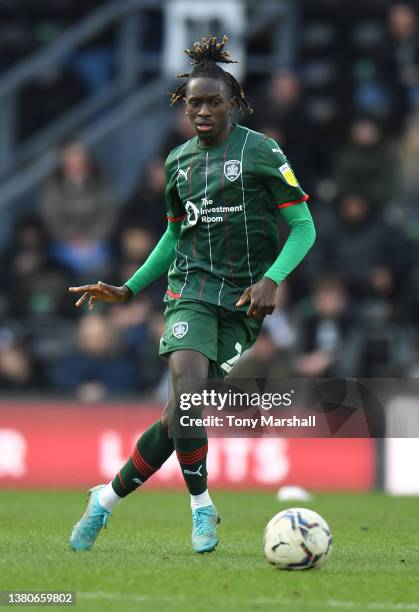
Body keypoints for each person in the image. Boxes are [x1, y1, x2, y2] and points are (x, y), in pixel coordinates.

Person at [68, 35, 316, 554]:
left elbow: (303, 227)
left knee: (178, 413)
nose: (201, 111)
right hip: (190, 291)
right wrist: (130, 287)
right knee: (188, 392)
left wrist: (272, 278)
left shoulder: (262, 151)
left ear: (234, 104)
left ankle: (105, 500)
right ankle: (202, 508)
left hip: (244, 302)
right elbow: (174, 236)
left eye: (212, 102)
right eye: (193, 103)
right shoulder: (177, 162)